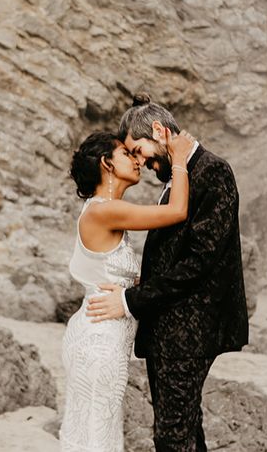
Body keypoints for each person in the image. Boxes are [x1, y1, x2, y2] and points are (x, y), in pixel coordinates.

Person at [87, 94, 249, 452]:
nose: (139, 162)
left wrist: (130, 301)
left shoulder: (212, 171)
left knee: (171, 436)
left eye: (139, 150)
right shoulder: (178, 176)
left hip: (190, 331)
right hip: (169, 327)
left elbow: (200, 261)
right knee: (186, 430)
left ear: (158, 131)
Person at [60, 127, 196, 452]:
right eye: (126, 153)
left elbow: (111, 272)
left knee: (97, 433)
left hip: (104, 337)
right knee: (96, 437)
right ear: (107, 163)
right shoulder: (104, 210)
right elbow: (177, 212)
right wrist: (179, 159)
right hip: (99, 343)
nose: (137, 160)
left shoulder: (104, 210)